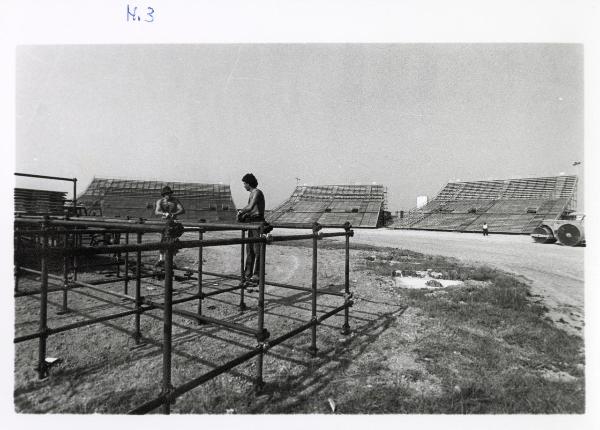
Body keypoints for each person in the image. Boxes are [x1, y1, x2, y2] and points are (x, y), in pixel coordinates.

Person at [237, 173, 265, 284]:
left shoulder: (257, 192)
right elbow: (251, 210)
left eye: (244, 183)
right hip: (252, 222)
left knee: (257, 251)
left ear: (248, 183)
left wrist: (240, 212)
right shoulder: (252, 193)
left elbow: (250, 207)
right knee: (249, 250)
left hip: (258, 222)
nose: (244, 186)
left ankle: (257, 275)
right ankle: (247, 275)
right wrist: (243, 215)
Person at [154, 185, 185, 267]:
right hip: (164, 223)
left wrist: (173, 214)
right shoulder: (160, 201)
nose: (169, 195)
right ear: (164, 195)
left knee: (173, 241)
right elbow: (156, 212)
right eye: (167, 194)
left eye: (169, 193)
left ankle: (172, 261)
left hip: (173, 222)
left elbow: (182, 210)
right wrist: (164, 213)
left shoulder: (175, 200)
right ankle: (161, 259)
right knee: (163, 240)